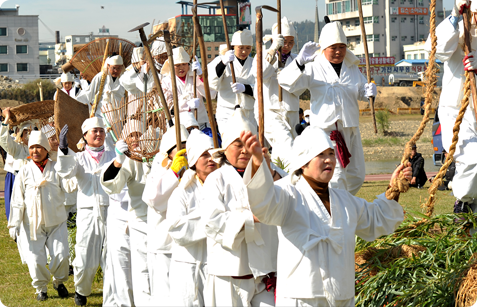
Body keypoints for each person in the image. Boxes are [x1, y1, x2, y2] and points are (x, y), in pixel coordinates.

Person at [240, 126, 410, 306]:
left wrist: (393, 189)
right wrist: (259, 164)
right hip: (301, 298)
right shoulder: (288, 194)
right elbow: (264, 205)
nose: (329, 160)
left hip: (340, 296)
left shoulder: (344, 200)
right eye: (321, 155)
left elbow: (375, 218)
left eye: (331, 153)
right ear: (304, 162)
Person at [278, 21, 377, 195]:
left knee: (356, 175)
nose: (338, 51)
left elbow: (361, 92)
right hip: (327, 132)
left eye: (342, 47)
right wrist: (299, 62)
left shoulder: (352, 68)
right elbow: (286, 82)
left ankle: (344, 205)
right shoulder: (314, 66)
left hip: (350, 129)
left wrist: (370, 92)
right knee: (335, 177)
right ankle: (335, 214)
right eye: (333, 47)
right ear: (324, 48)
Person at [202, 107, 282, 306]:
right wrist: (250, 218)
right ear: (226, 147)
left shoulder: (271, 172)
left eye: (249, 145)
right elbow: (213, 221)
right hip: (229, 275)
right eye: (238, 145)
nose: (245, 150)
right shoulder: (216, 179)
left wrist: (268, 170)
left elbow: (290, 197)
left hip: (264, 273)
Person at [8, 131, 77, 301]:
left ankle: (59, 282)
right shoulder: (24, 171)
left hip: (56, 221)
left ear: (46, 149)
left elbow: (70, 186)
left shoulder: (57, 167)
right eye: (32, 147)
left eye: (39, 147)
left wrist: (68, 157)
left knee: (62, 256)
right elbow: (17, 200)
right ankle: (41, 288)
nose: (35, 151)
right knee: (36, 259)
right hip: (31, 224)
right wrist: (14, 224)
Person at [55, 118, 116, 306]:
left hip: (111, 211)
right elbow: (65, 172)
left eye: (101, 131)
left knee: (112, 254)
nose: (98, 134)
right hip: (88, 212)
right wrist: (64, 150)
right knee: (84, 255)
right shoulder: (79, 158)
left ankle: (113, 294)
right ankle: (81, 291)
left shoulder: (114, 155)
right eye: (94, 131)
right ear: (85, 135)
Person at [425, 0, 477, 212]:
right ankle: (462, 205)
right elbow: (435, 49)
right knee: (472, 160)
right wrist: (455, 16)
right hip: (458, 112)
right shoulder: (460, 30)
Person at [101, 125, 152, 306]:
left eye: (139, 135)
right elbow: (111, 184)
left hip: (156, 223)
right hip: (130, 220)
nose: (136, 139)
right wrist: (118, 160)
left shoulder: (155, 158)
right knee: (132, 270)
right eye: (131, 136)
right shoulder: (128, 161)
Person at [167, 129, 218, 306]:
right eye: (205, 155)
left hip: (218, 267)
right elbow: (176, 228)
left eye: (213, 154)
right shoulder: (182, 193)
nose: (211, 159)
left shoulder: (226, 187)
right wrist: (214, 220)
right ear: (194, 160)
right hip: (189, 267)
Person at [141, 124, 190, 305]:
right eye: (180, 145)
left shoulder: (191, 166)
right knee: (164, 296)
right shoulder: (160, 165)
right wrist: (174, 173)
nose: (184, 149)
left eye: (186, 144)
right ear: (169, 150)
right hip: (164, 243)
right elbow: (153, 199)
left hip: (186, 241)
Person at [253, 16, 300, 167]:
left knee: (286, 149)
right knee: (286, 146)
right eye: (284, 41)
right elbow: (259, 74)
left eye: (291, 42)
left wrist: (289, 77)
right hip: (271, 111)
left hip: (291, 110)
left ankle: (277, 178)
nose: (287, 45)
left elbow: (302, 87)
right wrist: (273, 50)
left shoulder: (296, 59)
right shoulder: (263, 55)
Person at [208, 29, 256, 134]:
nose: (244, 51)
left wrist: (245, 88)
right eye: (241, 48)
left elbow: (261, 88)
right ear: (233, 46)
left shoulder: (255, 63)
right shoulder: (222, 60)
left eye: (248, 48)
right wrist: (223, 63)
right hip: (227, 112)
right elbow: (212, 82)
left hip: (248, 112)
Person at [161, 46, 211, 130]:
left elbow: (210, 94)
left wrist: (201, 76)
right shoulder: (166, 82)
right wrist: (186, 105)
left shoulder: (194, 76)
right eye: (177, 65)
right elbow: (169, 106)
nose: (181, 68)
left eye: (184, 64)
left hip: (200, 122)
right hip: (179, 124)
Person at [76, 55, 125, 119]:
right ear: (108, 66)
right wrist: (75, 101)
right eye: (114, 68)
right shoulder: (100, 77)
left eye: (119, 68)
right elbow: (89, 93)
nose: (116, 71)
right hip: (102, 116)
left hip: (119, 118)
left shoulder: (124, 78)